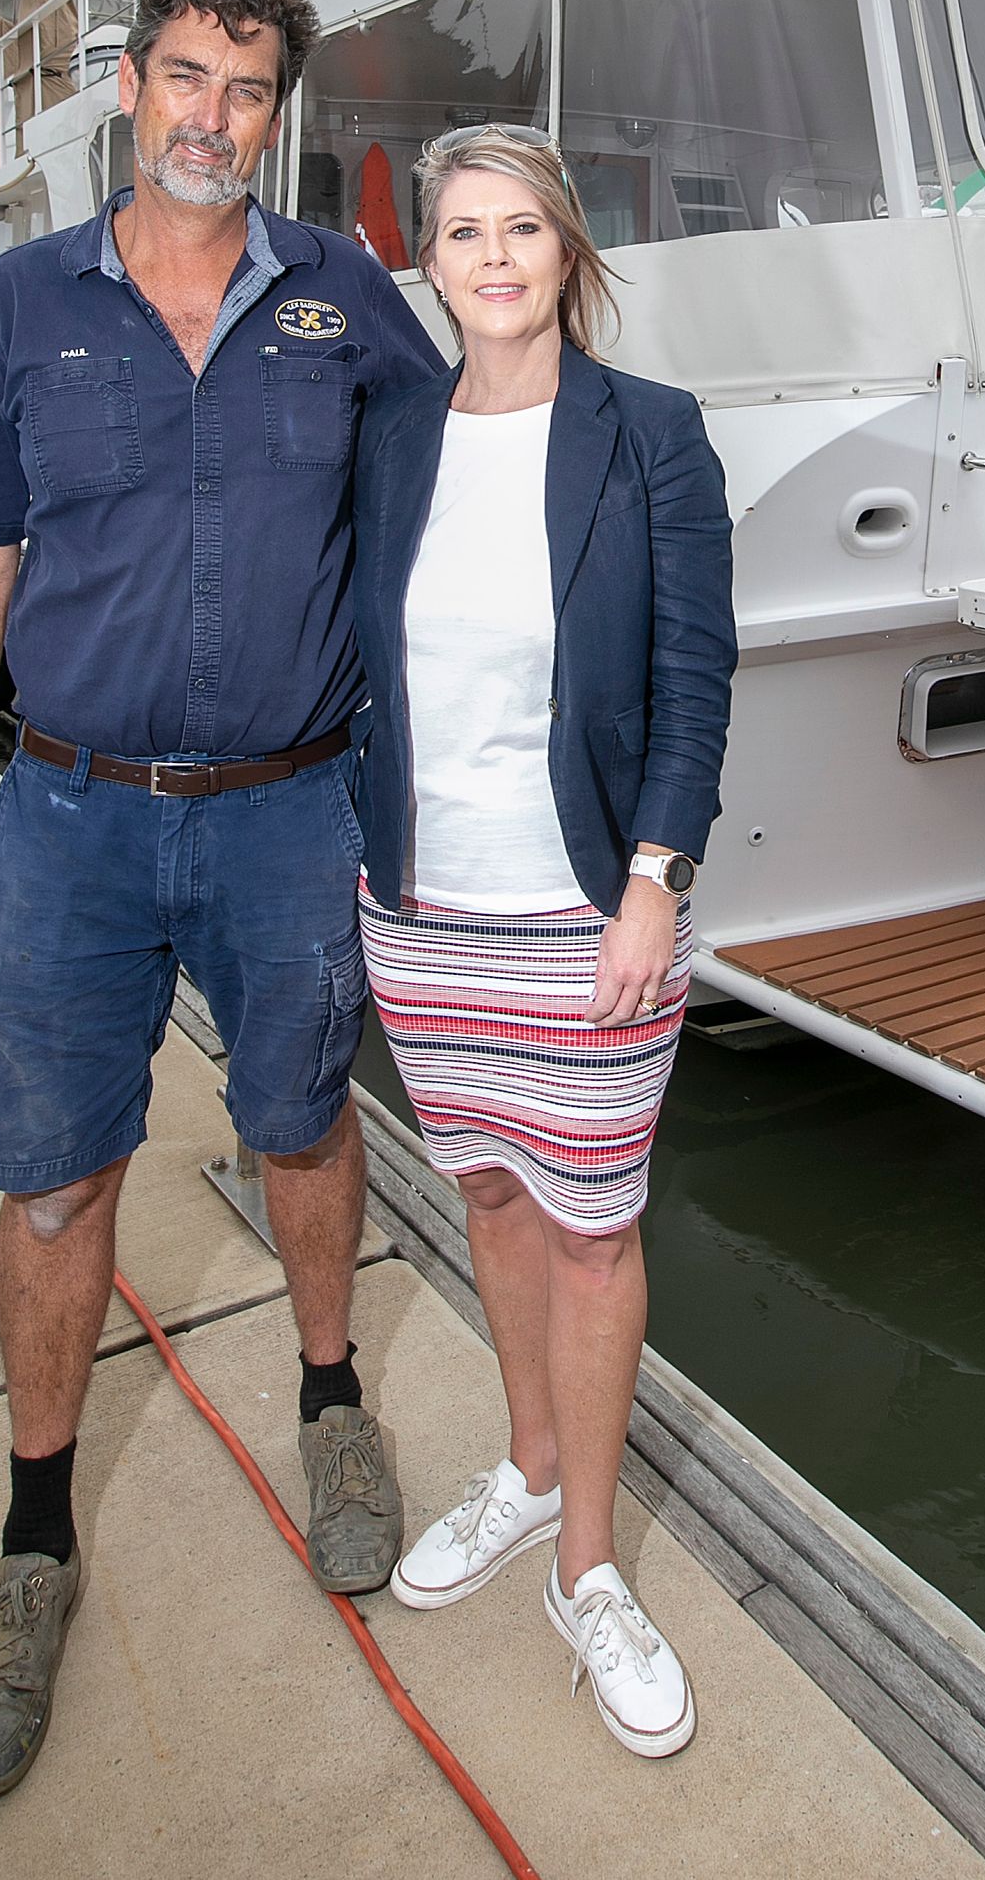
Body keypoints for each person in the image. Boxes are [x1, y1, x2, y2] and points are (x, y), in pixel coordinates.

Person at [0, 0, 443, 1803]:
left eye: (251, 90)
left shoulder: (347, 296)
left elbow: (467, 478)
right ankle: (34, 1545)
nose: (216, 116)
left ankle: (332, 1403)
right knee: (54, 1184)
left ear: (277, 117)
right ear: (133, 88)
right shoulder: (18, 307)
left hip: (294, 809)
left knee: (301, 1123)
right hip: (69, 816)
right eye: (190, 79)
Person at [350, 125, 735, 1760]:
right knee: (490, 1191)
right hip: (423, 909)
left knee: (593, 1226)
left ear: (569, 251)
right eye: (463, 232)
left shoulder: (652, 435)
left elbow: (698, 676)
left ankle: (590, 1568)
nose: (494, 257)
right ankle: (524, 1468)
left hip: (585, 911)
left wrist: (657, 876)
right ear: (426, 264)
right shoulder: (389, 438)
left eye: (523, 228)